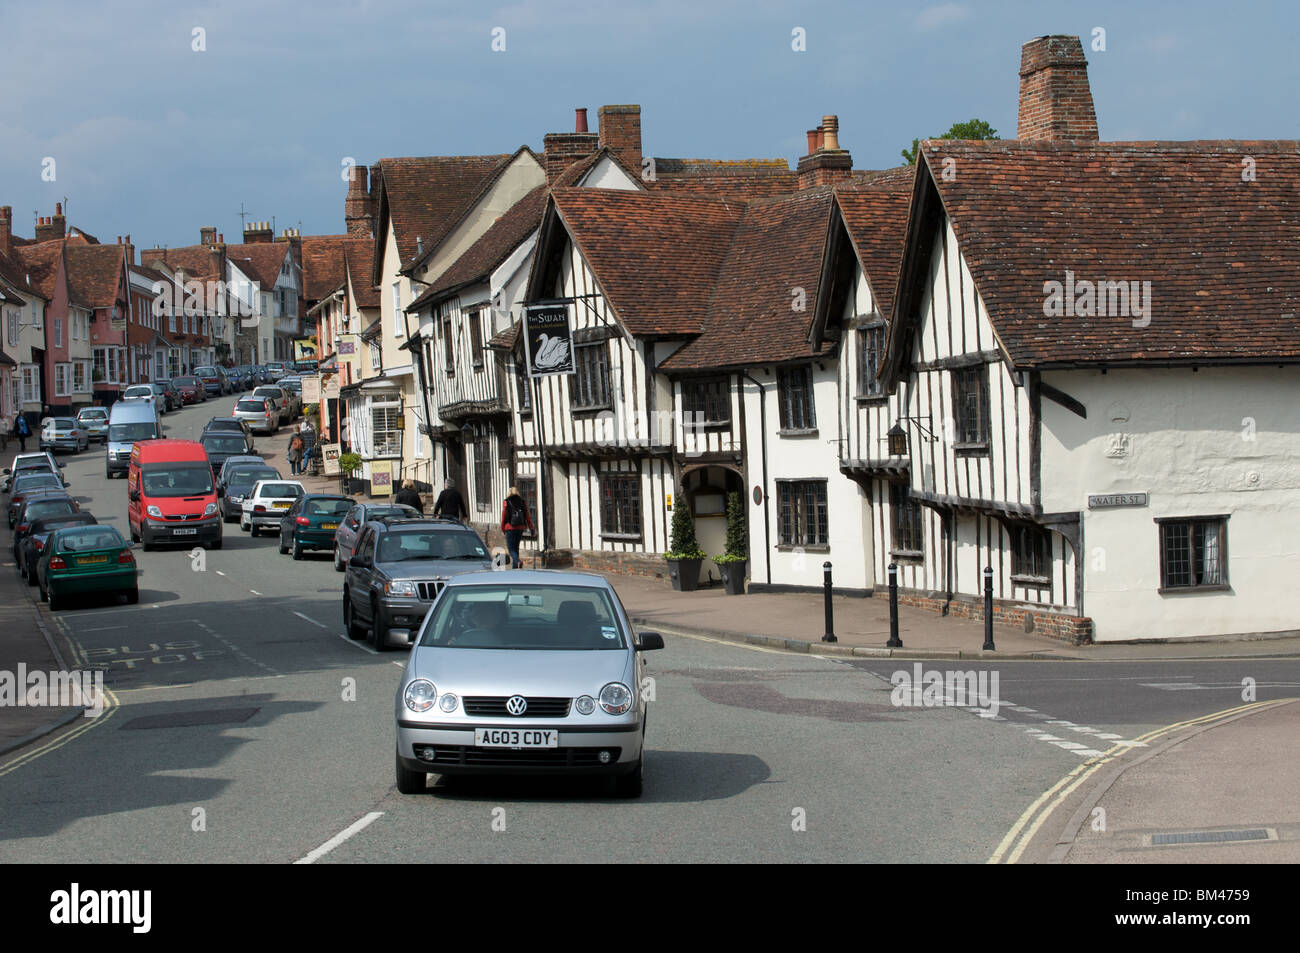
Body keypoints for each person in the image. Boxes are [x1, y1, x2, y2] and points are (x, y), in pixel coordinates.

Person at [500, 486, 535, 569]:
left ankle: (518, 562)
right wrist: (531, 528)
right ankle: (515, 569)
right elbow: (527, 517)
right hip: (520, 528)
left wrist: (502, 528)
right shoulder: (523, 502)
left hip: (510, 528)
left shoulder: (506, 502)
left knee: (511, 549)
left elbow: (504, 516)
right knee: (516, 549)